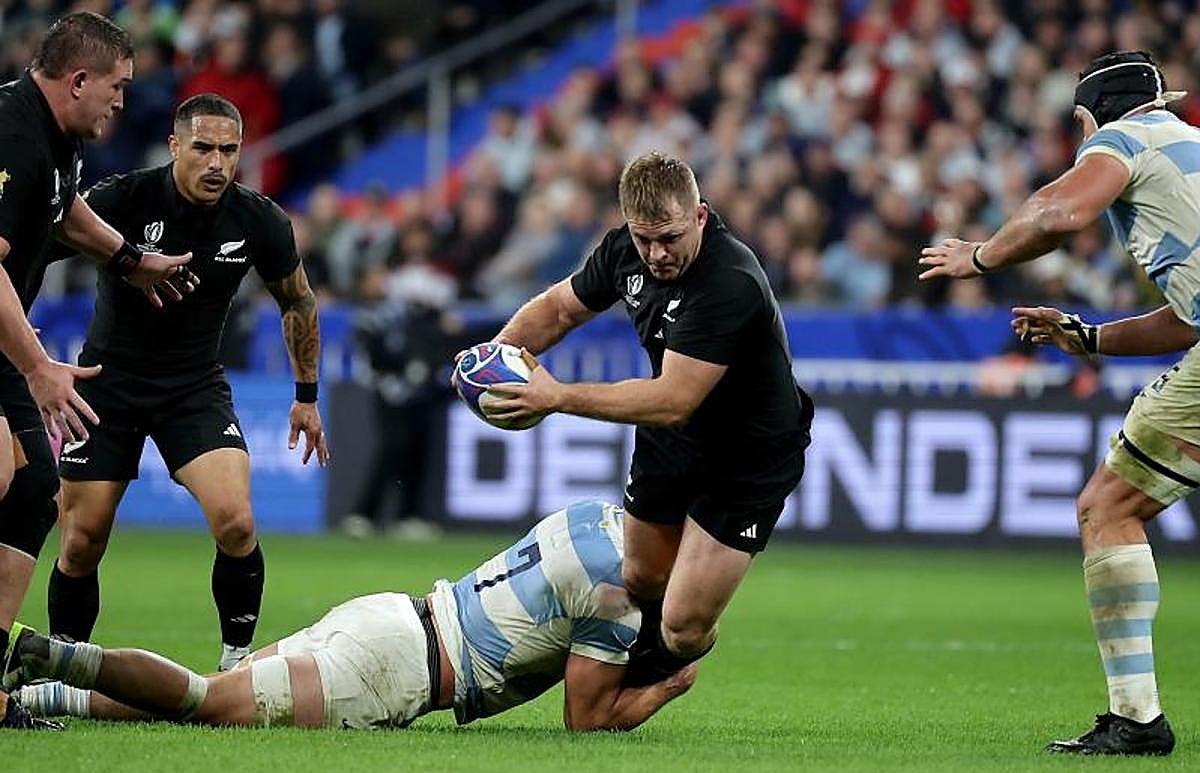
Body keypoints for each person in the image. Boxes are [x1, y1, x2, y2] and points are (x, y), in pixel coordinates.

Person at [919, 50, 1196, 756]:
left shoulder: (1122, 138)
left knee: (1110, 507)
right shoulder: (1190, 153)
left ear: (1087, 117)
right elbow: (1188, 321)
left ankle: (1135, 718)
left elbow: (1059, 210)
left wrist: (979, 258)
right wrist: (1092, 339)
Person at [461, 151, 813, 686]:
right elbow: (558, 310)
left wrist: (557, 396)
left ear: (700, 216)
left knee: (683, 626)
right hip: (674, 438)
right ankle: (624, 679)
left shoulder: (729, 280)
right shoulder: (626, 250)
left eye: (670, 238)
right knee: (641, 576)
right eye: (645, 238)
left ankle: (669, 673)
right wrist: (489, 359)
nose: (656, 253)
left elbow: (674, 398)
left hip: (750, 455)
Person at [47, 92, 329, 673]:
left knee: (237, 521)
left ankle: (235, 664)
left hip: (193, 388)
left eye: (229, 150)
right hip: (106, 385)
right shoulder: (121, 199)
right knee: (80, 541)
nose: (217, 163)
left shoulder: (258, 219)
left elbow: (297, 300)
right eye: (203, 147)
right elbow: (31, 251)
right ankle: (64, 671)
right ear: (175, 146)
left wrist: (306, 396)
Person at [9, 501, 696, 731]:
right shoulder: (617, 592)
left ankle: (32, 694)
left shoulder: (592, 516)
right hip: (394, 672)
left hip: (390, 614)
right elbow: (586, 719)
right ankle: (40, 649)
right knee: (203, 700)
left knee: (206, 701)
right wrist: (666, 683)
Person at [0, 12, 198, 729]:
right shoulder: (13, 135)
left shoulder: (58, 139)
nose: (122, 101)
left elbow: (65, 213)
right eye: (115, 87)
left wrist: (128, 258)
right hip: (6, 342)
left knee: (32, 491)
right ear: (77, 80)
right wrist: (38, 369)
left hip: (1, 341)